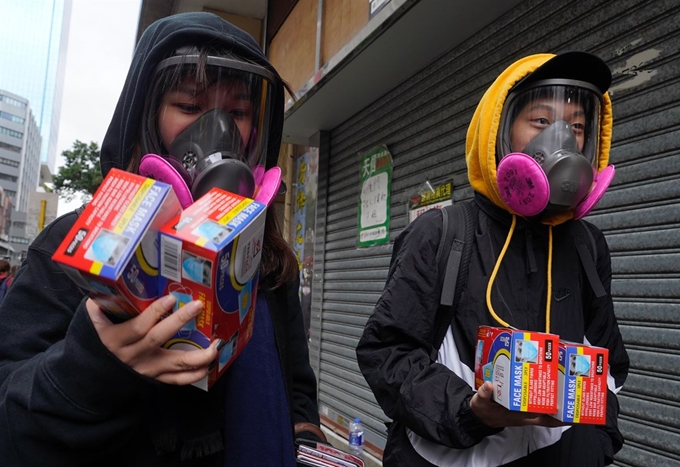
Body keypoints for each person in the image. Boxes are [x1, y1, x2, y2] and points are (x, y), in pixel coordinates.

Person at [0, 12, 322, 466]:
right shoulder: (71, 247)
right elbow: (10, 423)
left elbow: (297, 385)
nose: (219, 130)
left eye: (238, 113)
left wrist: (305, 438)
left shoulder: (265, 257)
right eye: (190, 107)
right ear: (145, 120)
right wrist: (90, 367)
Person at [356, 52, 630, 466]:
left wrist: (594, 446)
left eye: (576, 126)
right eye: (541, 122)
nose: (562, 140)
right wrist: (470, 412)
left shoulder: (587, 245)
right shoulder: (440, 233)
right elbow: (387, 354)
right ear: (499, 130)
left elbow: (609, 365)